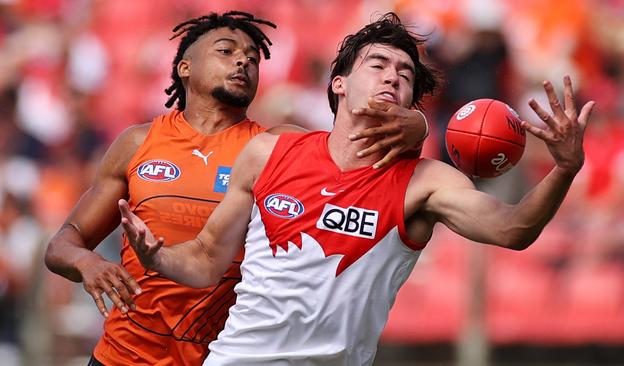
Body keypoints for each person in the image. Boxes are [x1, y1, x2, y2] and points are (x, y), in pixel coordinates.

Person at [120, 12, 595, 366]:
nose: (392, 75)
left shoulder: (423, 183)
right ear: (339, 83)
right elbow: (206, 258)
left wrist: (564, 170)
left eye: (405, 75)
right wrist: (156, 256)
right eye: (379, 65)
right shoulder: (271, 151)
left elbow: (513, 230)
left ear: (411, 102)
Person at [43, 11, 429, 366]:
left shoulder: (277, 148)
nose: (244, 60)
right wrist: (87, 263)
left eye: (253, 57)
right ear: (185, 67)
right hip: (119, 357)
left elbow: (357, 156)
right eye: (226, 51)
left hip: (217, 358)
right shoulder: (137, 143)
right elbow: (63, 242)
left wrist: (419, 127)